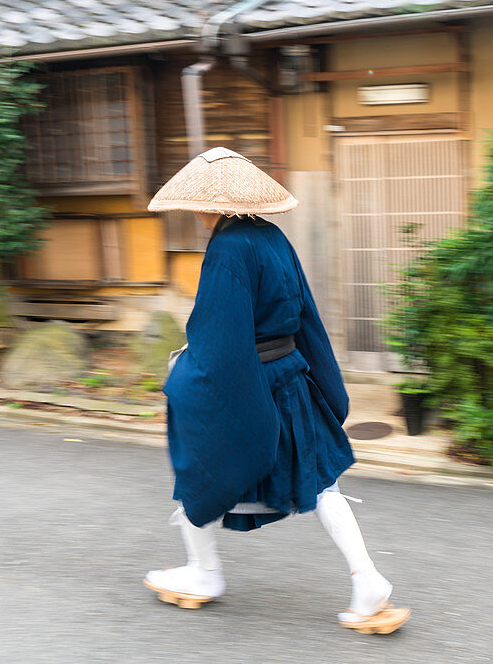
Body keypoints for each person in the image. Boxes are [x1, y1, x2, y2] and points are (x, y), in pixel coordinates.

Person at [142, 147, 409, 635]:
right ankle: (368, 580)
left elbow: (220, 336)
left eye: (195, 206)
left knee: (199, 460)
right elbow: (304, 310)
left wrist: (186, 378)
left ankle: (203, 573)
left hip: (250, 381)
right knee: (320, 481)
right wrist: (326, 382)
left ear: (209, 205)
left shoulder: (227, 248)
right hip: (292, 376)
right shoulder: (271, 237)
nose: (194, 214)